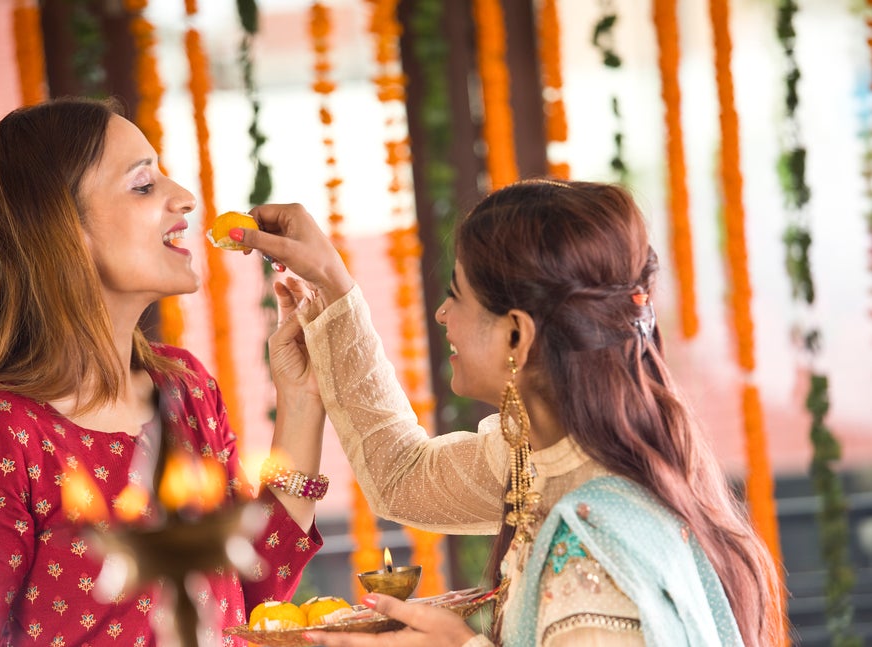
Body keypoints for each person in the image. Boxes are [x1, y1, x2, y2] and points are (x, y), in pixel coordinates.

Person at [236, 180, 784, 646]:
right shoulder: (543, 455)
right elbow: (402, 477)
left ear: (517, 335)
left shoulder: (591, 548)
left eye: (458, 297)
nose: (442, 313)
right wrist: (331, 289)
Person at [0, 97, 328, 645]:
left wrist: (302, 399)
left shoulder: (184, 387)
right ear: (62, 229)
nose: (185, 198)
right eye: (143, 185)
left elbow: (250, 593)